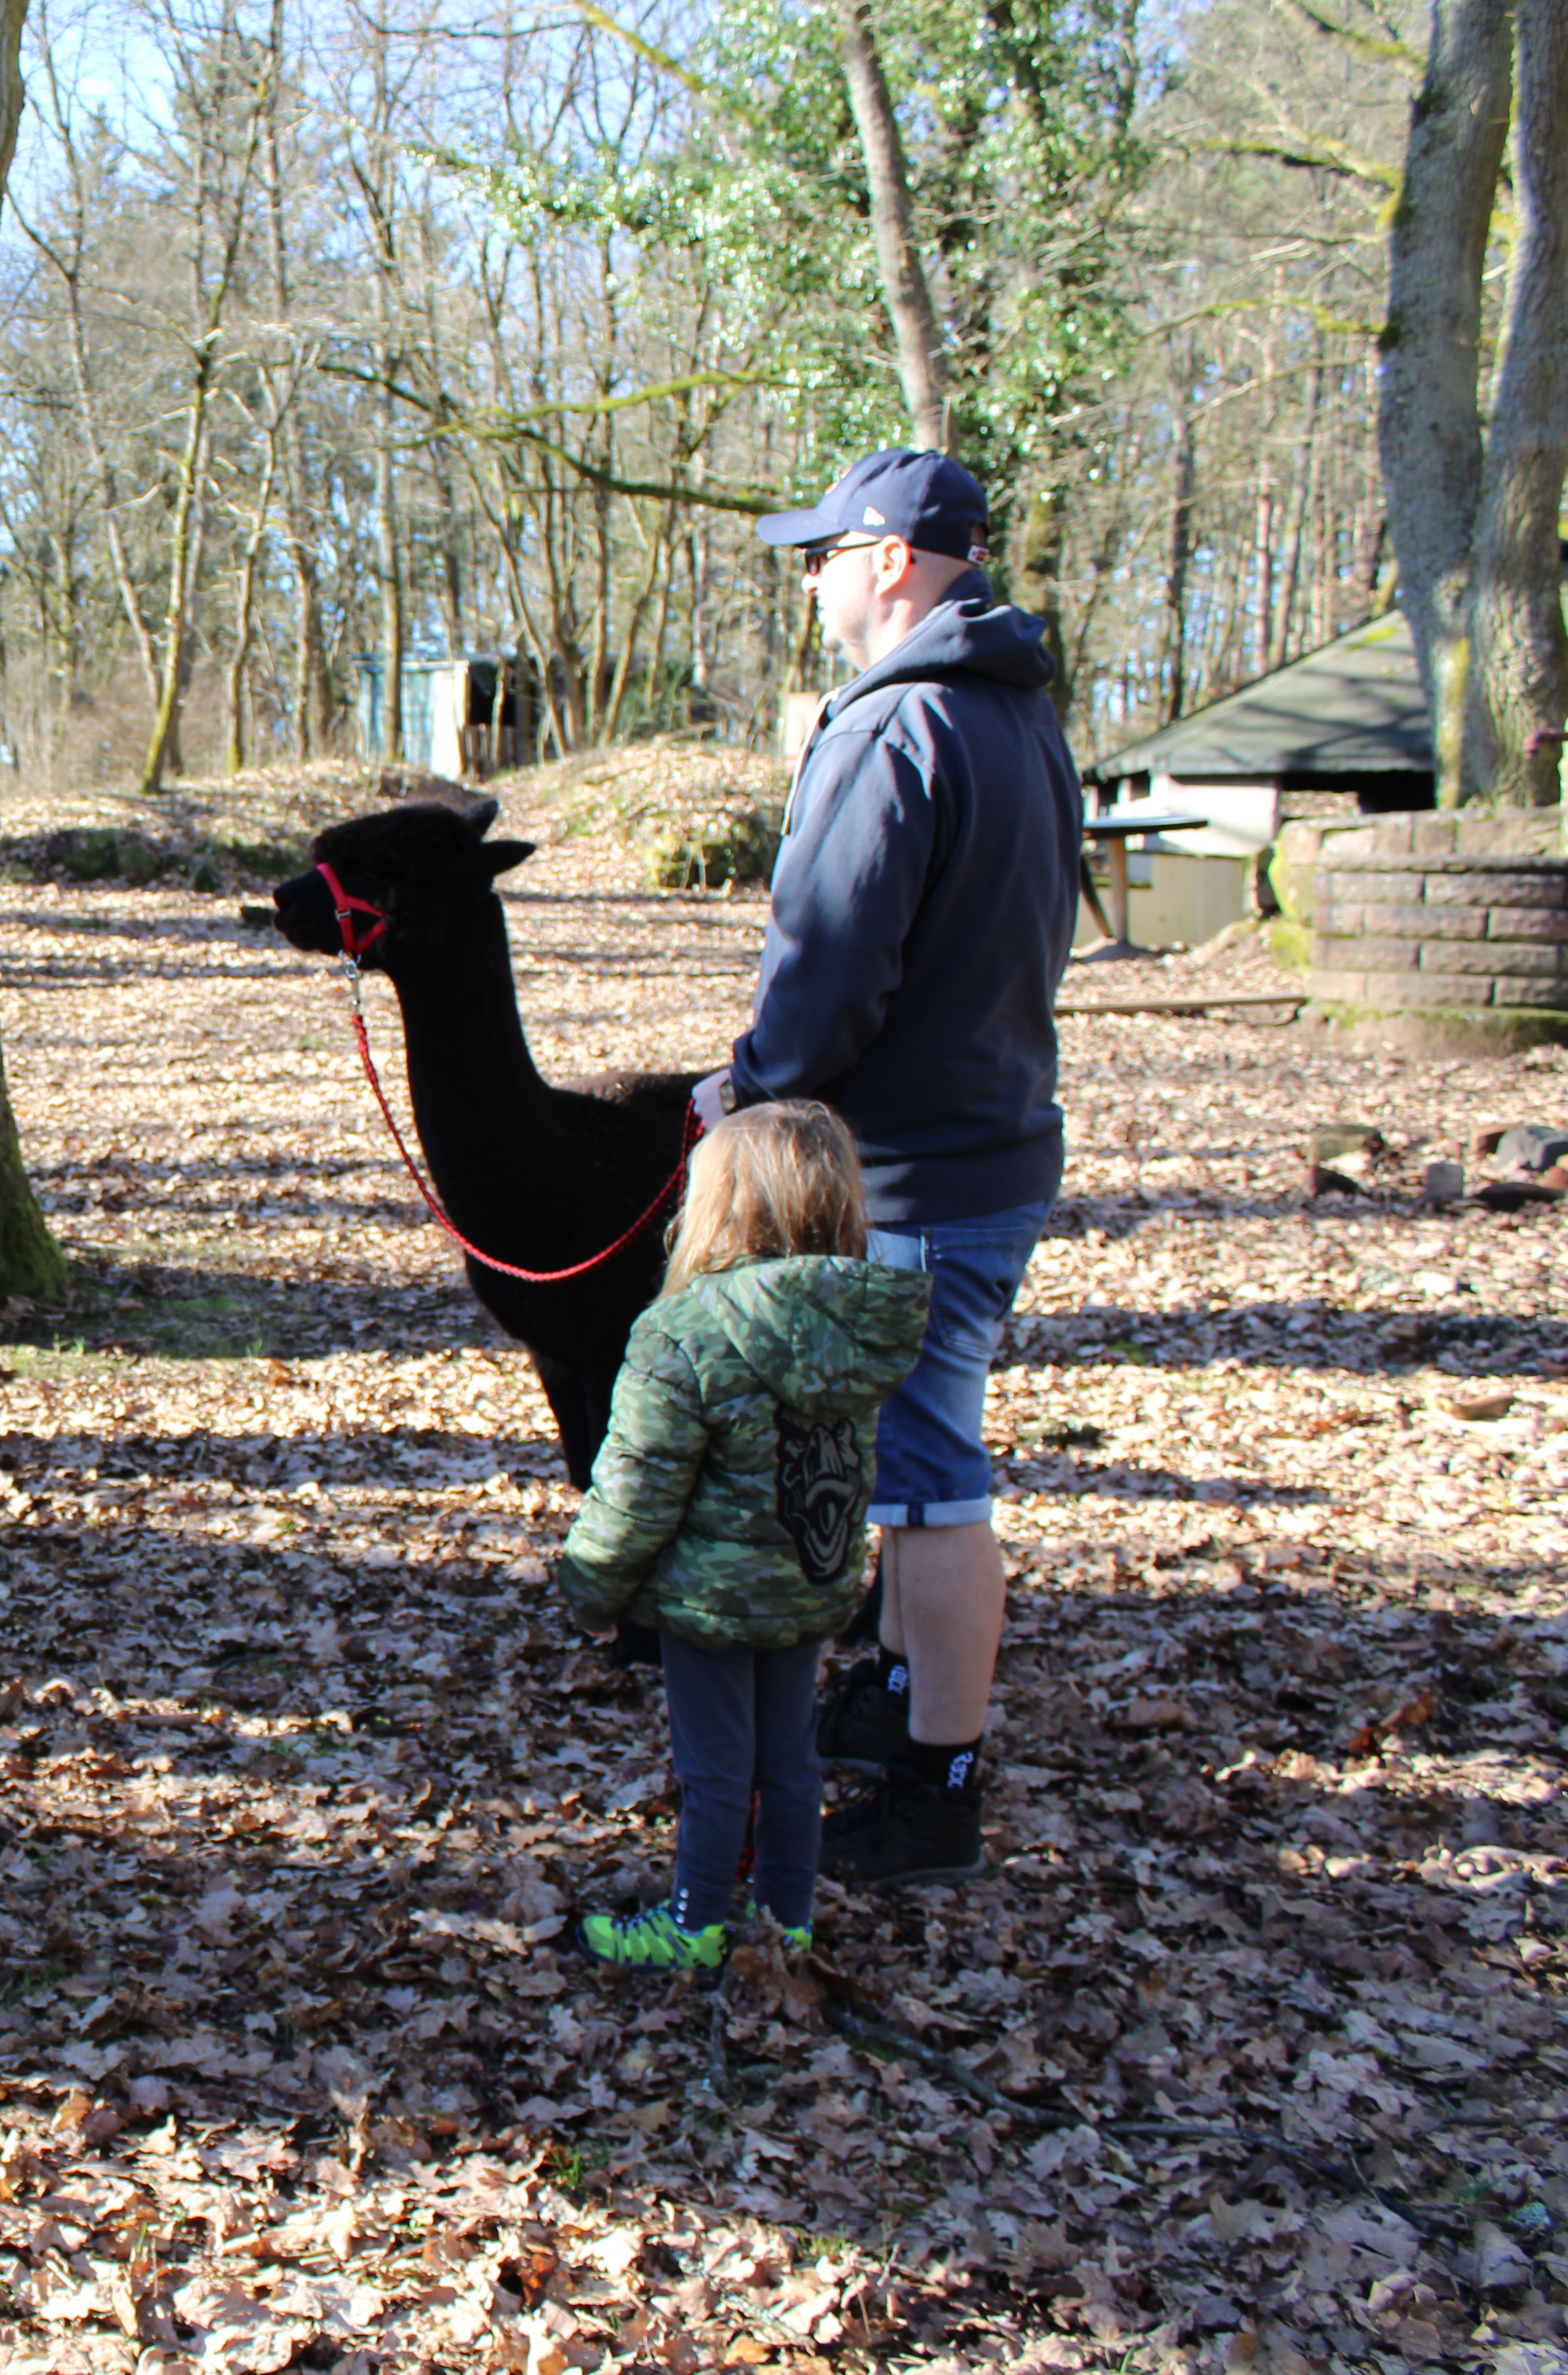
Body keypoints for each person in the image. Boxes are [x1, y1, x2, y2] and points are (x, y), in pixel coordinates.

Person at [695, 447, 1083, 1885]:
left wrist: (747, 1086)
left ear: (896, 562)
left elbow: (834, 964)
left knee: (928, 1479)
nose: (809, 577)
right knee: (924, 1455)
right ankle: (909, 1704)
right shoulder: (1019, 713)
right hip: (993, 1144)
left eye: (825, 553)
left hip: (915, 1168)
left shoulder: (901, 726)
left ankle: (938, 1787)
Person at [556, 1103, 930, 1969]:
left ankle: (695, 1924)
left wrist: (592, 1584)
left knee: (717, 1768)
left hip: (712, 1600)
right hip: (809, 1579)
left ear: (714, 1204)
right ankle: (786, 1920)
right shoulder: (856, 1323)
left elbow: (638, 1486)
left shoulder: (684, 1332)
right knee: (791, 1760)